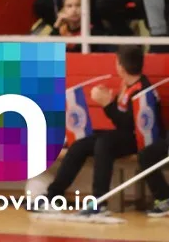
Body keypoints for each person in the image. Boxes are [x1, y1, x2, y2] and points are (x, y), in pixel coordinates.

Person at [42, 45, 152, 217]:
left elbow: (129, 125)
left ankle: (99, 202)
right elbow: (121, 118)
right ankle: (53, 196)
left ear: (120, 66)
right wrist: (109, 99)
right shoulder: (127, 85)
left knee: (104, 143)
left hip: (139, 139)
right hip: (123, 135)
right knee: (80, 144)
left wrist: (107, 104)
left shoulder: (142, 90)